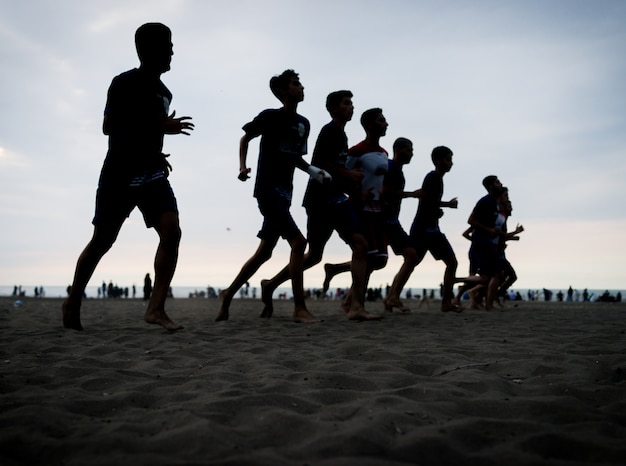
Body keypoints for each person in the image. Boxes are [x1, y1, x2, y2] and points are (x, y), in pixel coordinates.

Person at [62, 23, 194, 331]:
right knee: (102, 241)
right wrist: (159, 127)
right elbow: (110, 126)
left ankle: (156, 309)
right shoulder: (124, 82)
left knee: (171, 232)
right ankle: (73, 300)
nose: (173, 50)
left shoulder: (165, 92)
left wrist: (158, 150)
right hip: (120, 173)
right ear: (148, 50)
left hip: (153, 173)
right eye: (168, 45)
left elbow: (150, 132)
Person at [216, 70, 331, 323]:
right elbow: (245, 138)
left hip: (286, 192)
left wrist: (313, 171)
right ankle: (299, 308)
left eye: (301, 83)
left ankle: (228, 293)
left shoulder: (304, 124)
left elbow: (295, 158)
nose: (301, 87)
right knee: (299, 243)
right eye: (295, 84)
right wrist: (242, 166)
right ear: (282, 91)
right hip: (267, 191)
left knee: (264, 253)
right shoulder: (269, 117)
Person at [259, 90, 379, 321]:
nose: (351, 107)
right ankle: (355, 306)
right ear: (334, 108)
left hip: (334, 199)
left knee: (350, 247)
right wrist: (348, 173)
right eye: (346, 103)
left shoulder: (341, 135)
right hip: (321, 201)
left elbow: (333, 173)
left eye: (352, 103)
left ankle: (272, 284)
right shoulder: (330, 131)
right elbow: (319, 164)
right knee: (324, 252)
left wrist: (357, 190)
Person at [321, 108, 390, 312]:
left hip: (379, 210)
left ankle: (337, 271)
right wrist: (358, 194)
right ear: (369, 125)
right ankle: (354, 302)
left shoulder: (384, 153)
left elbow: (380, 182)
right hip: (361, 208)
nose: (386, 124)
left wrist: (385, 197)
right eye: (381, 120)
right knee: (368, 256)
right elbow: (343, 177)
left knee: (380, 261)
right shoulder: (357, 151)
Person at [408, 146, 460, 313]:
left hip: (429, 229)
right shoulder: (433, 177)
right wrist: (442, 208)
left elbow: (430, 201)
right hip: (425, 230)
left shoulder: (437, 178)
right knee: (412, 263)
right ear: (438, 161)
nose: (451, 163)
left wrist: (444, 206)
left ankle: (446, 302)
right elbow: (426, 201)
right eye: (448, 159)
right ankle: (446, 303)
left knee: (413, 263)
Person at [381, 137, 423, 312]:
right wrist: (411, 194)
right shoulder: (391, 167)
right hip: (384, 221)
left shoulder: (397, 169)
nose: (411, 153)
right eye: (408, 149)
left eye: (412, 150)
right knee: (373, 260)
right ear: (398, 150)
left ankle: (392, 297)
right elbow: (383, 190)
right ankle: (392, 297)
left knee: (411, 256)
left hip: (392, 221)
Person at [467, 175, 504, 310]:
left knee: (487, 277)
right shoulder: (485, 201)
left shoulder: (494, 203)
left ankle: (488, 304)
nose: (500, 184)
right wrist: (488, 230)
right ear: (490, 186)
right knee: (496, 274)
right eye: (497, 182)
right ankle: (489, 305)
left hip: (487, 241)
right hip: (482, 242)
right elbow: (471, 220)